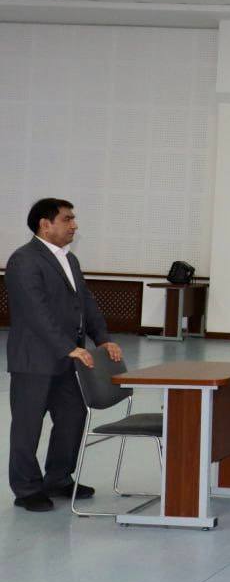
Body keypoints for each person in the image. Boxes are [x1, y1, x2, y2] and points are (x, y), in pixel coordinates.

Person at [7, 199, 123, 512]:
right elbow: (35, 312)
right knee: (28, 426)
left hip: (67, 359)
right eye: (67, 219)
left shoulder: (69, 259)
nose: (74, 225)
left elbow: (85, 303)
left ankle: (58, 479)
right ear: (45, 224)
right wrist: (67, 346)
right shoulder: (24, 260)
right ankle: (27, 489)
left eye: (73, 219)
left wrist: (103, 339)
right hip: (34, 360)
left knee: (73, 416)